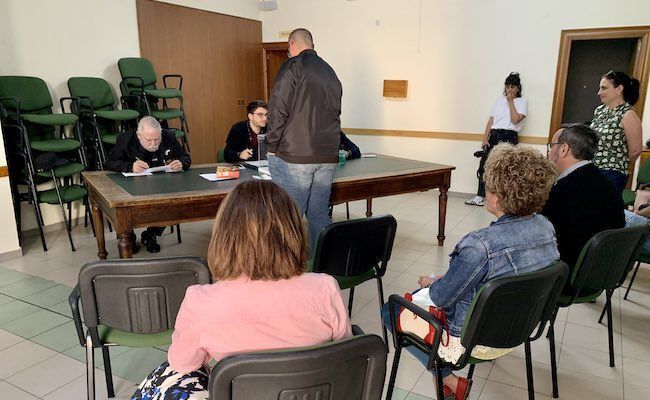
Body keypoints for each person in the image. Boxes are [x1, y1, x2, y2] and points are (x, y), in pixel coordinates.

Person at [131, 180, 351, 400]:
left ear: (224, 236)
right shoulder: (325, 288)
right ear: (293, 232)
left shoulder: (201, 303)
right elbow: (346, 354)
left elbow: (182, 363)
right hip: (314, 394)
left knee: (167, 374)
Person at [384, 144, 559, 400]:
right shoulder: (545, 227)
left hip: (472, 341)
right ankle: (448, 381)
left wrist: (433, 284)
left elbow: (441, 298)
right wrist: (450, 278)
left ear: (497, 198)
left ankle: (447, 378)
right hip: (520, 330)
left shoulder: (480, 245)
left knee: (390, 309)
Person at [266, 28, 342, 253]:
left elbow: (278, 109)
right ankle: (322, 264)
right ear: (312, 45)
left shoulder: (292, 66)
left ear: (292, 45)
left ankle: (284, 265)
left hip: (296, 155)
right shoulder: (330, 71)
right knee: (319, 214)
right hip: (327, 155)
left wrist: (272, 144)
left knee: (288, 217)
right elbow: (336, 111)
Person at [542, 123, 624, 287]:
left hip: (568, 278)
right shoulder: (608, 183)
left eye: (552, 146)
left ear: (564, 149)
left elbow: (541, 233)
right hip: (602, 275)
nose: (549, 152)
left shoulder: (563, 189)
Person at [106, 116, 191, 253]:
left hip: (162, 185)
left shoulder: (169, 136)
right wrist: (130, 166)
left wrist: (181, 163)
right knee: (125, 208)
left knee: (172, 205)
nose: (153, 144)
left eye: (157, 139)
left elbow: (185, 157)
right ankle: (129, 236)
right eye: (149, 140)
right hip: (132, 185)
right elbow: (110, 162)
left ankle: (150, 235)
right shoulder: (126, 139)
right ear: (139, 135)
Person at [466, 72, 528, 206]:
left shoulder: (523, 102)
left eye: (513, 86)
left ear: (518, 88)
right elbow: (491, 120)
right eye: (507, 86)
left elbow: (515, 120)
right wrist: (485, 138)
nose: (509, 89)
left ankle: (504, 200)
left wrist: (511, 101)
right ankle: (480, 196)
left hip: (509, 136)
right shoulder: (499, 101)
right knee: (484, 165)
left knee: (507, 168)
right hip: (494, 135)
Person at [590, 70, 643, 192]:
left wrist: (617, 162)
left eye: (604, 88)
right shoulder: (600, 110)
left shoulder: (628, 114)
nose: (599, 92)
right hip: (593, 169)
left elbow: (635, 150)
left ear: (619, 89)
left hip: (612, 173)